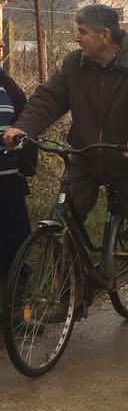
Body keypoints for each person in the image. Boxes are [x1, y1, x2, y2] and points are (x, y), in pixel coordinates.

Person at [2, 3, 128, 337]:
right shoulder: (75, 65)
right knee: (60, 223)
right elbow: (48, 99)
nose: (77, 38)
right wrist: (24, 128)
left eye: (82, 32)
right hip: (86, 159)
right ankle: (67, 294)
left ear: (104, 35)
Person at [0, 66, 33, 285]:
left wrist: (26, 166)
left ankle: (14, 294)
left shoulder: (8, 87)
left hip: (10, 179)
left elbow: (26, 124)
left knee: (16, 241)